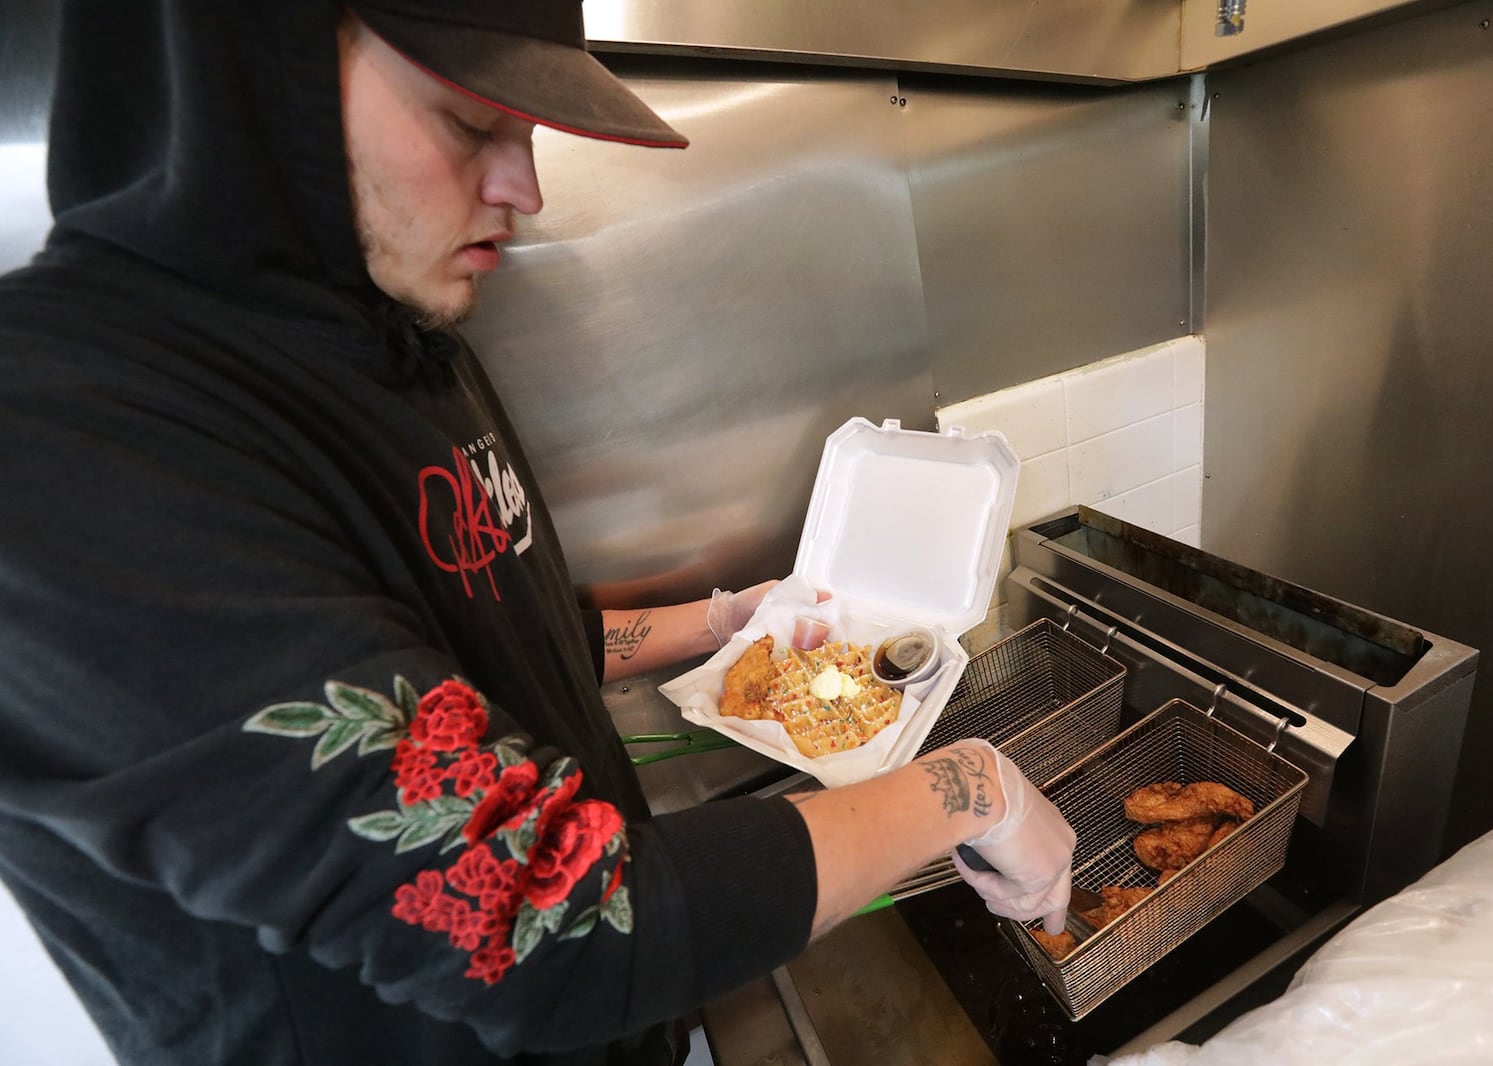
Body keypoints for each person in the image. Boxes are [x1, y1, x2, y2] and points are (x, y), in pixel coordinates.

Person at [0, 3, 1080, 1065]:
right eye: (472, 123)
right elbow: (550, 925)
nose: (526, 186)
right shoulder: (66, 429)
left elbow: (500, 638)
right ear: (249, 73)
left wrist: (723, 618)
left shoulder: (403, 341)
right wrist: (968, 788)